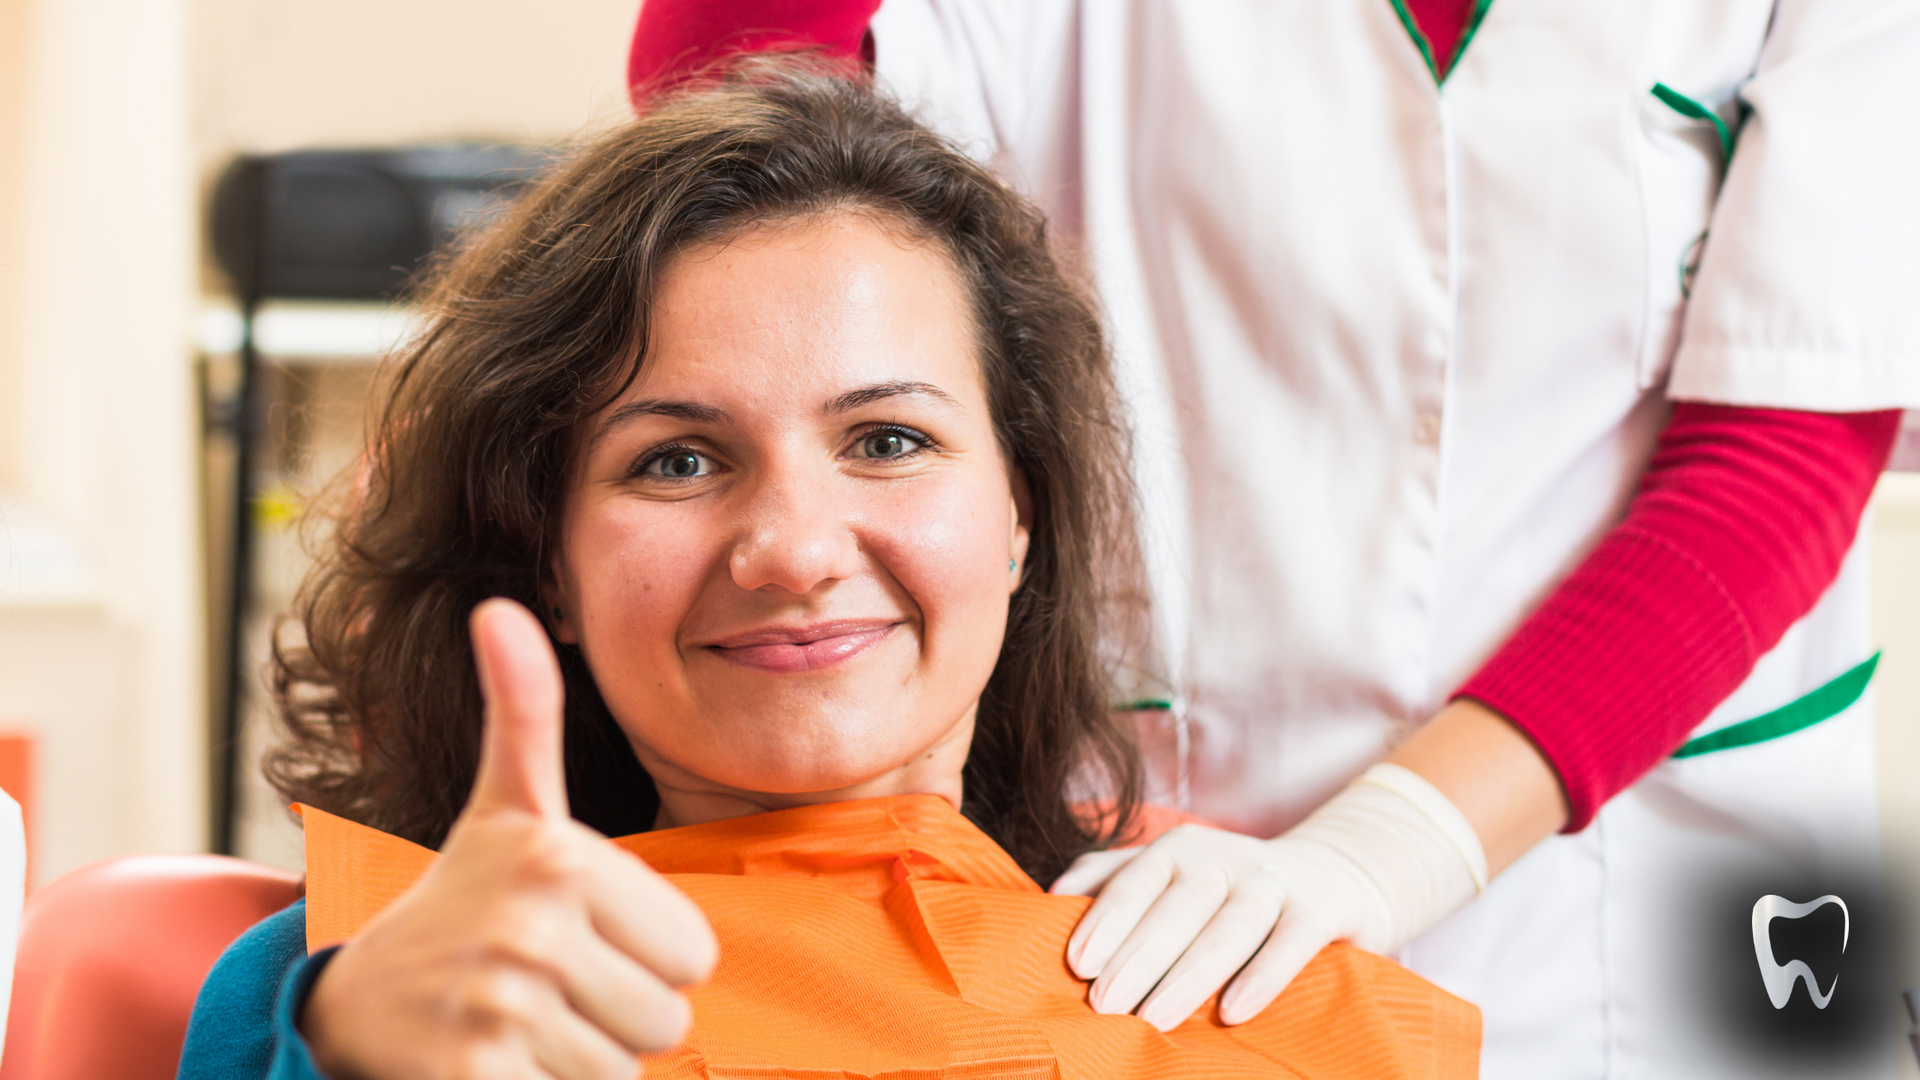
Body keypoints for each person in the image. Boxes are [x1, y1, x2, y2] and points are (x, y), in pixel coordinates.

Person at [625, 3, 1919, 1077]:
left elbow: (1785, 454)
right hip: (1153, 882)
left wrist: (1383, 852)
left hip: (1668, 868)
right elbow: (755, 160)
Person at [177, 65, 1480, 1080]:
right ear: (550, 564)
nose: (795, 552)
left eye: (889, 441)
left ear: (1021, 507)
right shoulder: (355, 983)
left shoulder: (1261, 996)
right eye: (678, 462)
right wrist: (345, 1048)